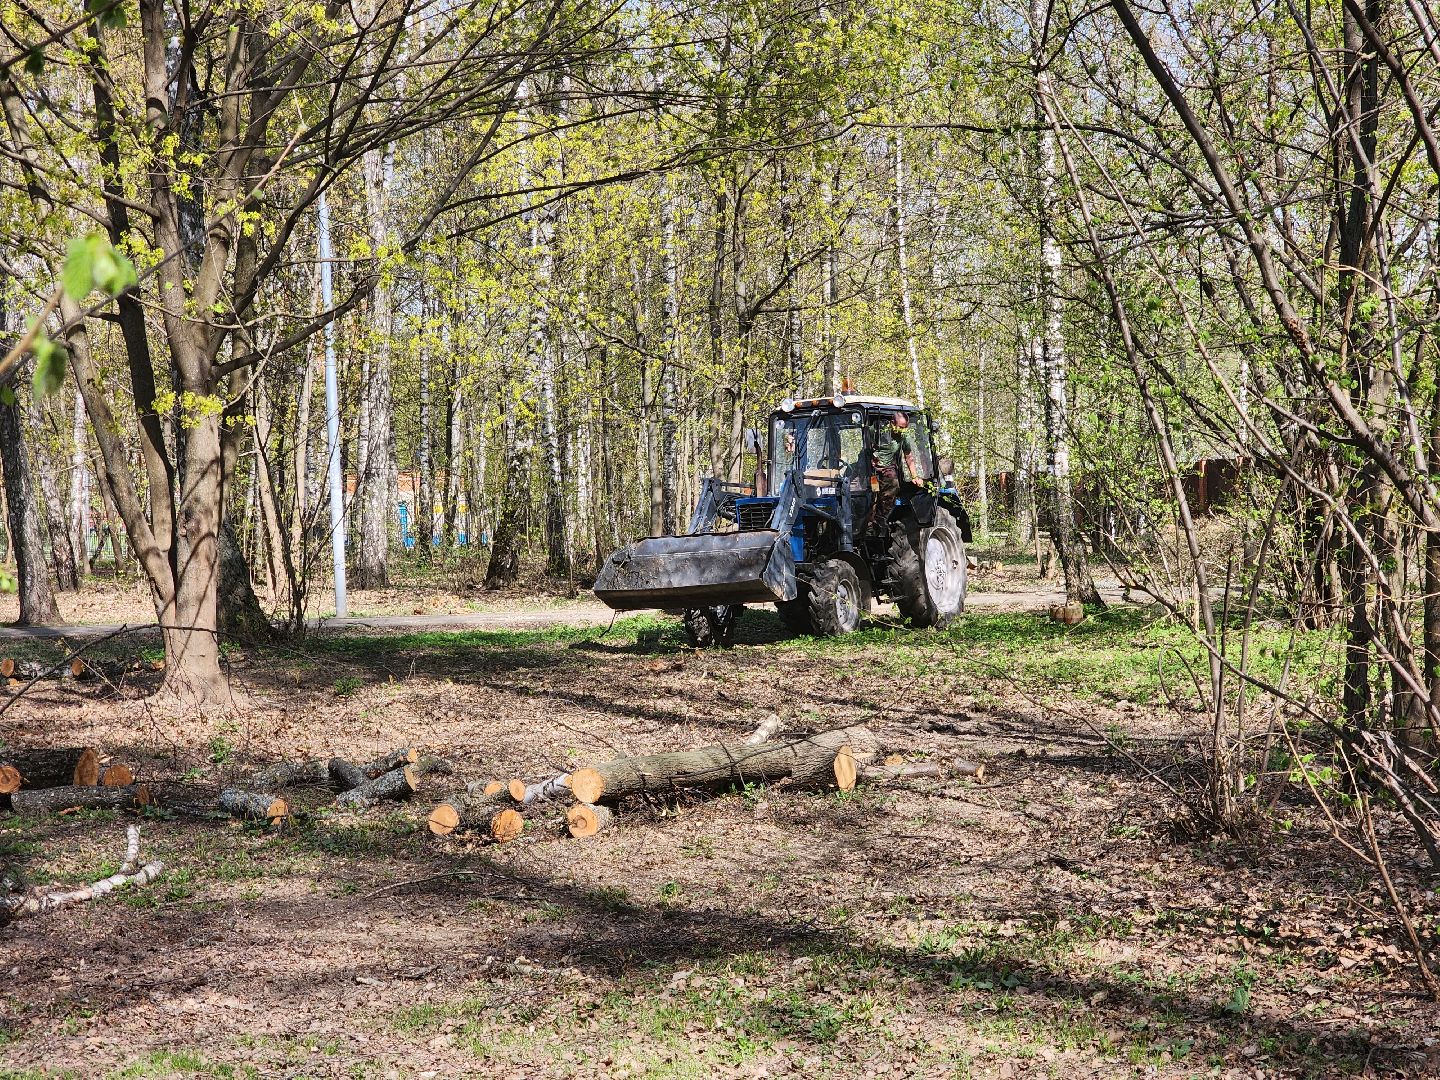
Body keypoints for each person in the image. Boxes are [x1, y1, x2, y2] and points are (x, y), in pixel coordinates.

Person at [869, 411, 919, 532]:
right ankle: (866, 522)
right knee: (865, 491)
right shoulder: (877, 430)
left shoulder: (903, 436)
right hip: (871, 468)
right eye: (901, 427)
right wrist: (871, 457)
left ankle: (882, 518)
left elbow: (908, 456)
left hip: (888, 468)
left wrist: (914, 476)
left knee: (893, 485)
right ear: (892, 423)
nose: (903, 430)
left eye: (905, 428)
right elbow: (866, 445)